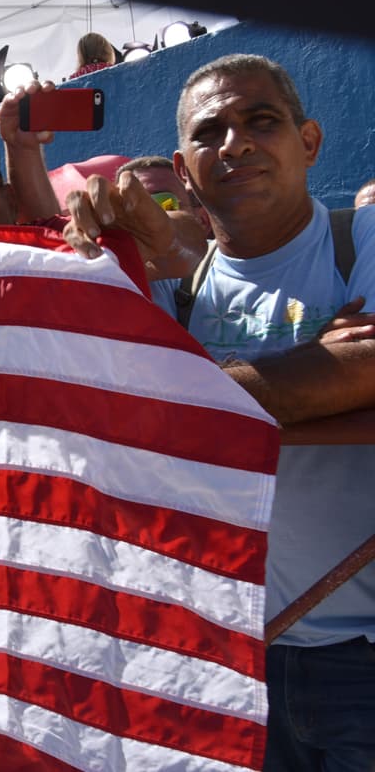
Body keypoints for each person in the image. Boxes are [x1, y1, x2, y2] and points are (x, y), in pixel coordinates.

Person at [151, 53, 375, 769]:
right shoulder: (168, 292)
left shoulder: (363, 241)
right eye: (209, 132)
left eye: (261, 121)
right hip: (223, 670)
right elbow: (115, 405)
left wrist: (185, 390)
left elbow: (367, 365)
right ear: (184, 172)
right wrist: (317, 370)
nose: (235, 144)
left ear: (307, 141)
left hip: (361, 661)